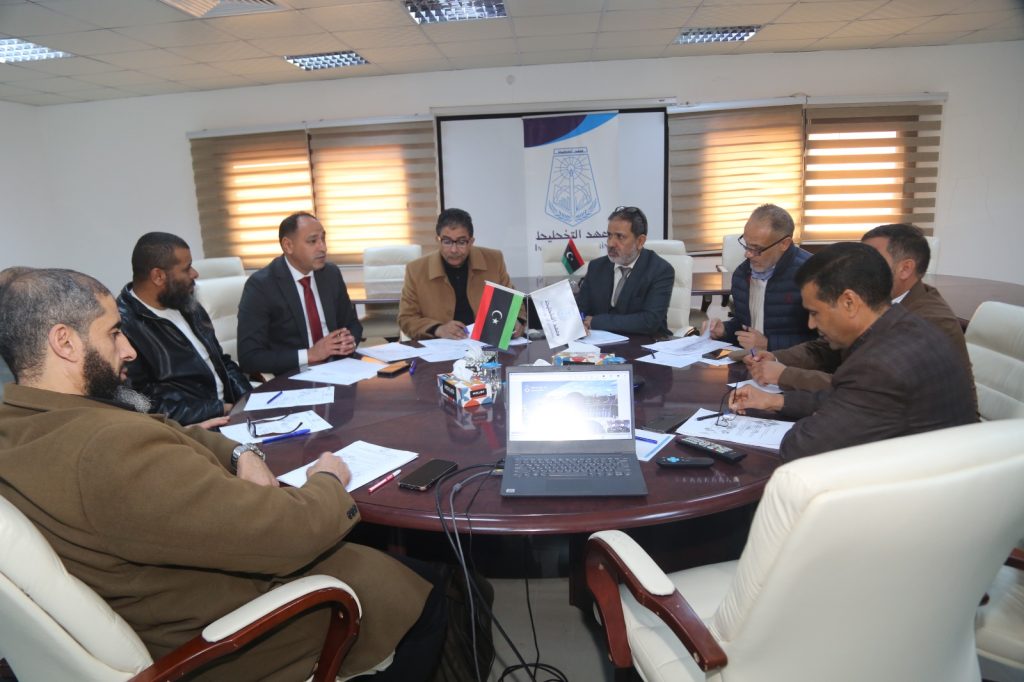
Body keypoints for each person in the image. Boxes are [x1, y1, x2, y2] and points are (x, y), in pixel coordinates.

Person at [0, 268, 443, 681]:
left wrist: (239, 453)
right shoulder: (109, 450)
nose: (129, 349)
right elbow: (288, 534)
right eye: (114, 332)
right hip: (229, 626)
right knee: (426, 593)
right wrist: (328, 479)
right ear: (65, 342)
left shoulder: (24, 421)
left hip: (169, 589)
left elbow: (165, 428)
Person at [729, 243, 976, 460]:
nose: (811, 325)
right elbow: (847, 397)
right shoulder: (908, 326)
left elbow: (801, 448)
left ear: (849, 302)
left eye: (815, 312)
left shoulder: (878, 364)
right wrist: (775, 401)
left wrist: (807, 421)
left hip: (912, 485)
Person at [748, 224, 974, 393]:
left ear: (905, 269)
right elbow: (825, 349)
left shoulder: (928, 322)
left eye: (874, 259)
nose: (860, 267)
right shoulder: (874, 302)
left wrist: (786, 375)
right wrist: (775, 358)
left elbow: (865, 386)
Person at [116, 232, 251, 426]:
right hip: (195, 428)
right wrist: (219, 409)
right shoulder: (123, 328)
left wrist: (250, 399)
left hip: (232, 412)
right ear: (158, 276)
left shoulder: (185, 302)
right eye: (187, 268)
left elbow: (221, 361)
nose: (195, 273)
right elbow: (142, 404)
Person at [238, 212, 362, 375]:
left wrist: (349, 341)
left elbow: (352, 324)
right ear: (288, 245)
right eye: (313, 241)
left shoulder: (330, 274)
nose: (323, 248)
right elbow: (249, 358)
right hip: (294, 374)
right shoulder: (261, 286)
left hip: (339, 368)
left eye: (323, 239)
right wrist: (310, 354)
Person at [398, 208, 522, 340]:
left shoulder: (493, 260)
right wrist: (438, 329)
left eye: (461, 242)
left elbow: (514, 304)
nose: (454, 250)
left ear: (471, 242)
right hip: (439, 346)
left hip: (485, 344)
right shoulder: (416, 269)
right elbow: (407, 318)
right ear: (438, 240)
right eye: (447, 242)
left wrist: (516, 321)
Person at [707, 204, 815, 351]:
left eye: (757, 248)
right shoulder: (742, 274)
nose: (748, 254)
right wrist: (724, 330)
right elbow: (744, 325)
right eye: (746, 245)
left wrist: (769, 344)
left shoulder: (813, 274)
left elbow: (826, 343)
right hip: (750, 361)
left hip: (791, 364)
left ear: (784, 244)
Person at [576, 206, 674, 337]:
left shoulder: (660, 270)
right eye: (609, 235)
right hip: (599, 344)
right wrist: (579, 322)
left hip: (645, 343)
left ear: (640, 241)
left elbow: (649, 321)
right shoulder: (596, 267)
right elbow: (580, 310)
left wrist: (597, 321)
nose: (611, 243)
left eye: (620, 236)